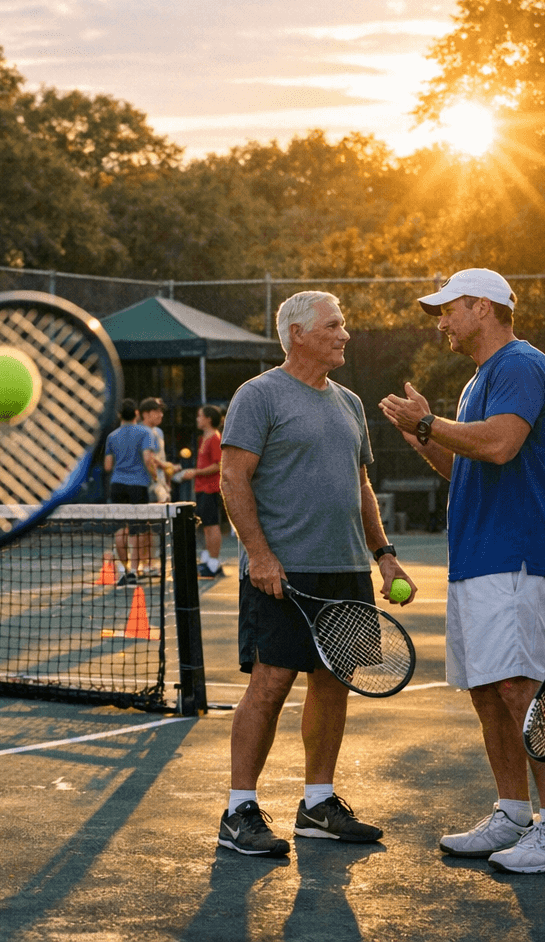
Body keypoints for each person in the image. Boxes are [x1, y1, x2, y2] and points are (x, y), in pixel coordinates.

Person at [378, 268, 545, 873]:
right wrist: (422, 436)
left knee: (519, 686)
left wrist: (426, 423)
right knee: (487, 689)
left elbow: (499, 445)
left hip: (514, 554)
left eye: (448, 310)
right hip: (476, 557)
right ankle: (514, 812)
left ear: (483, 307)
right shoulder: (478, 380)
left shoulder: (521, 364)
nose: (440, 322)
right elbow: (463, 467)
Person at [218, 291, 414, 857]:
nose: (344, 334)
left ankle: (318, 803)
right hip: (281, 572)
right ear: (298, 333)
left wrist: (384, 554)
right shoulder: (258, 395)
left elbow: (361, 486)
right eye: (334, 325)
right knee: (271, 684)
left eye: (343, 325)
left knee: (333, 684)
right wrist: (259, 553)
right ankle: (237, 811)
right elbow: (234, 479)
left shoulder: (349, 403)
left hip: (346, 569)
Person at [103, 399, 160, 585]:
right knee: (137, 530)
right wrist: (156, 478)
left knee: (121, 529)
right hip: (138, 486)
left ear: (120, 415)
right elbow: (147, 458)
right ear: (136, 413)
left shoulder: (112, 436)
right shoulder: (145, 432)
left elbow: (108, 465)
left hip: (117, 485)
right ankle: (134, 572)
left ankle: (124, 569)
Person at [176, 404, 226, 578]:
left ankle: (214, 563)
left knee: (212, 525)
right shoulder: (203, 438)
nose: (197, 419)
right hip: (201, 488)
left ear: (208, 419)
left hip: (210, 488)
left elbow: (217, 465)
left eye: (199, 416)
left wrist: (194, 472)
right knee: (205, 525)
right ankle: (208, 560)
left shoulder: (215, 438)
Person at [139, 397, 175, 505]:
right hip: (146, 484)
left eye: (161, 411)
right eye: (156, 411)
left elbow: (160, 457)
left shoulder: (159, 432)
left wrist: (167, 482)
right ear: (145, 414)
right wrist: (164, 465)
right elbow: (148, 458)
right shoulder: (139, 431)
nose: (161, 415)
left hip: (160, 484)